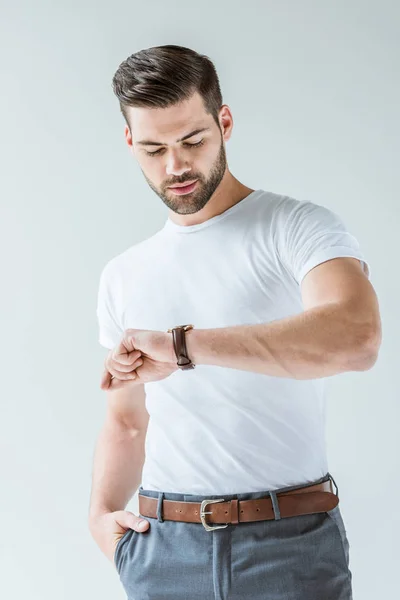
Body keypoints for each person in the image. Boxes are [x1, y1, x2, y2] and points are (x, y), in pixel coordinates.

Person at [88, 44, 381, 600]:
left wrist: (183, 347)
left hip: (289, 546)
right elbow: (126, 422)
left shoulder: (298, 228)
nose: (175, 166)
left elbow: (356, 337)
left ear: (224, 122)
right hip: (161, 549)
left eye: (192, 141)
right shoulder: (123, 273)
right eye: (153, 148)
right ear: (130, 143)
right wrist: (101, 515)